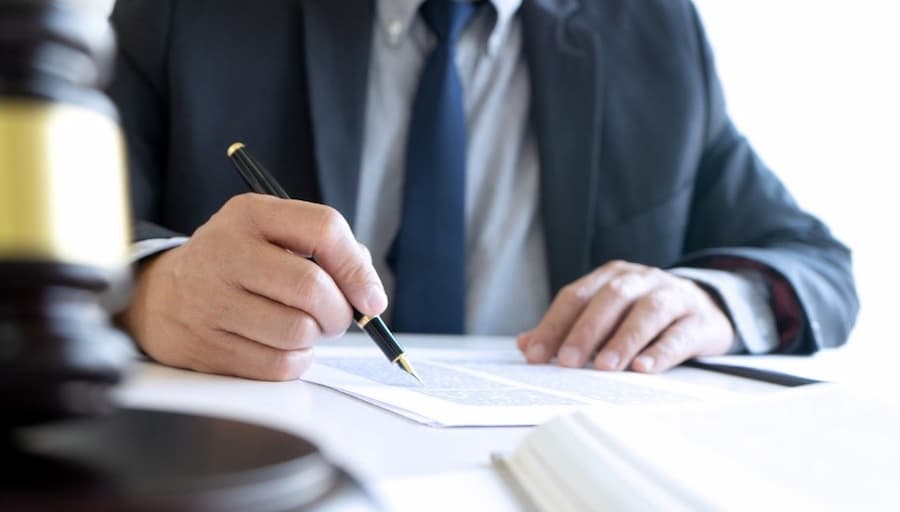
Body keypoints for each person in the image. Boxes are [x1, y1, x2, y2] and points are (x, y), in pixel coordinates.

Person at [108, 0, 858, 381]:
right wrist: (147, 289)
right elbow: (41, 224)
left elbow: (812, 262)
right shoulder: (193, 10)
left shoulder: (651, 29)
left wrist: (710, 303)